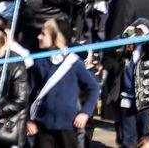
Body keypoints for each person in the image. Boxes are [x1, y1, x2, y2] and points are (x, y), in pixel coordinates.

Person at [27, 18, 99, 148]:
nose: (39, 36)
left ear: (57, 38)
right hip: (43, 124)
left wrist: (85, 112)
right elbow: (30, 92)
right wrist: (29, 119)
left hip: (68, 125)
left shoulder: (74, 63)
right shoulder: (40, 63)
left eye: (43, 34)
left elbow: (93, 88)